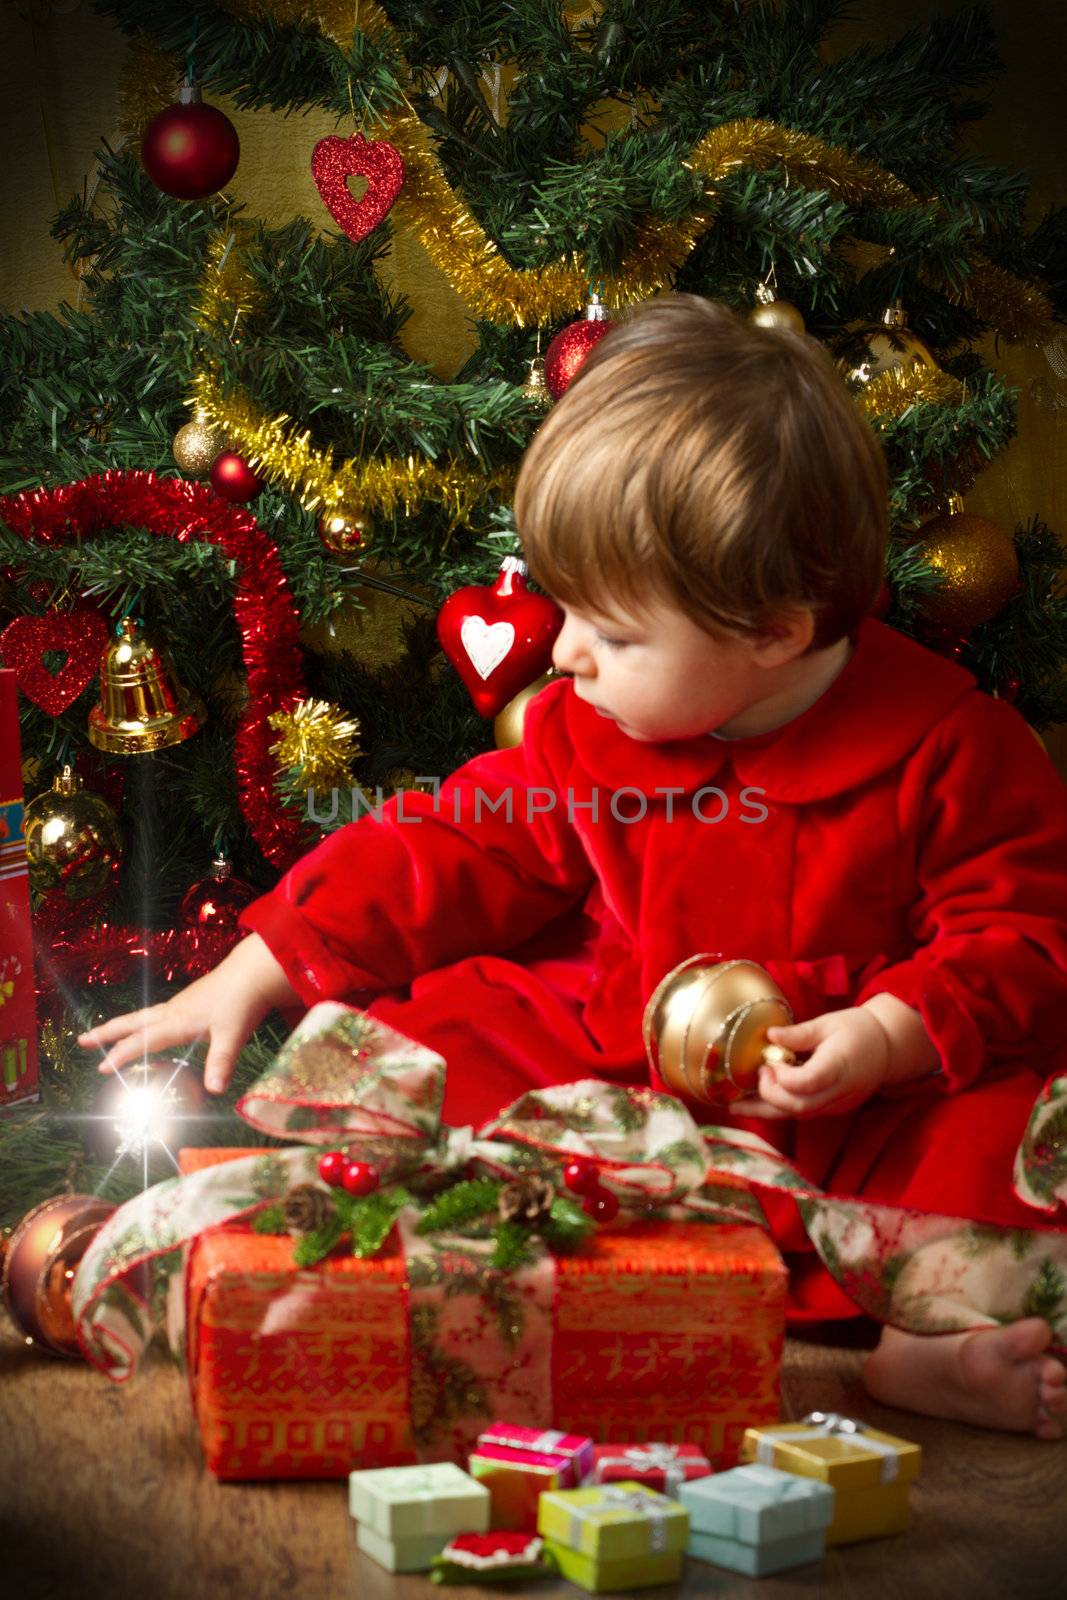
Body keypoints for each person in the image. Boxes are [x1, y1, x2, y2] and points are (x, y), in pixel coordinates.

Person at [80, 294, 1067, 1438]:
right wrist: (263, 962)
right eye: (565, 609)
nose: (566, 651)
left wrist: (890, 1031)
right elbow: (447, 841)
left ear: (775, 631)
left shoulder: (949, 743)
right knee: (426, 1053)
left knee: (1014, 1126)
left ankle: (930, 1341)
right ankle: (498, 1259)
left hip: (856, 1107)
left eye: (616, 630)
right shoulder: (582, 728)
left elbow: (1024, 937)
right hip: (612, 1071)